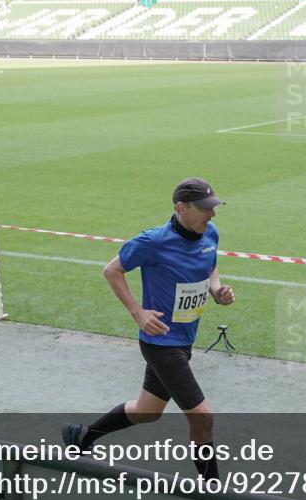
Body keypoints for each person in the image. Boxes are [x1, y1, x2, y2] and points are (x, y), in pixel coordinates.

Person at [62, 178, 235, 481]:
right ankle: (214, 492)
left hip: (184, 340)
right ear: (181, 208)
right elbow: (111, 270)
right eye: (205, 209)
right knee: (203, 417)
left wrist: (217, 290)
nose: (212, 215)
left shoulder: (210, 233)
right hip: (161, 343)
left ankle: (82, 436)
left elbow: (210, 267)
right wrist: (137, 312)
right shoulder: (153, 242)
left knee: (147, 411)